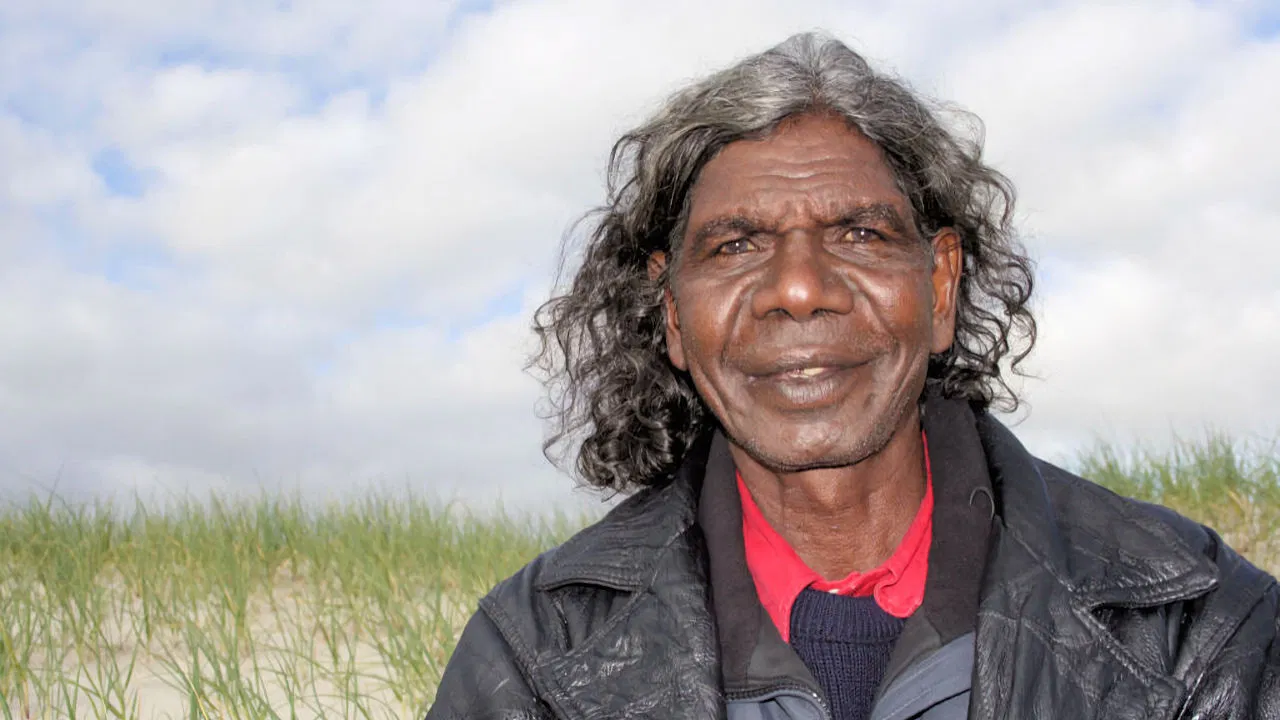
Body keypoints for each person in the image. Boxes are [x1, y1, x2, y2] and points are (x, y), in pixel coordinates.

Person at [425, 32, 1279, 720]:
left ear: (940, 287)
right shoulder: (535, 655)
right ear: (672, 316)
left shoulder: (1197, 628)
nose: (798, 289)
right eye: (735, 245)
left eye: (859, 234)